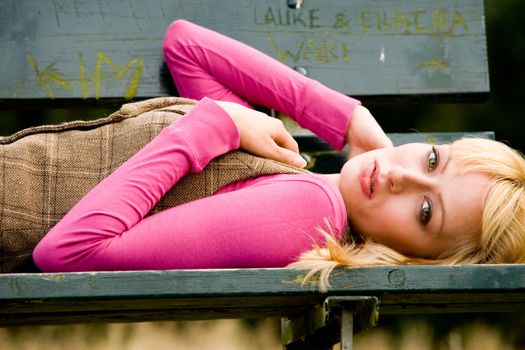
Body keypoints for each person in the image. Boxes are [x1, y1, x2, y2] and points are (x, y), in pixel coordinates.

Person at [32, 20, 525, 288]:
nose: (404, 178)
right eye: (432, 160)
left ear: (419, 260)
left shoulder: (306, 211)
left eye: (424, 212)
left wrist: (218, 123)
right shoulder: (288, 169)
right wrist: (344, 118)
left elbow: (67, 255)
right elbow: (186, 46)